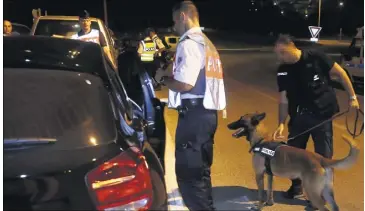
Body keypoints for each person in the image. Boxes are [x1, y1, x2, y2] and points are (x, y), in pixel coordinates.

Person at [155, 1, 226, 210]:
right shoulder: (207, 43)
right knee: (201, 172)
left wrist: (163, 79)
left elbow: (185, 84)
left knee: (189, 175)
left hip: (194, 116)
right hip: (206, 115)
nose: (174, 26)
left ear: (183, 17)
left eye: (175, 21)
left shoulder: (189, 43)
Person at [273, 34, 359, 199]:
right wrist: (281, 123)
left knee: (324, 157)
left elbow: (341, 74)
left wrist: (352, 97)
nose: (280, 57)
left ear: (292, 46)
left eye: (282, 52)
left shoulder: (316, 57)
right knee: (294, 155)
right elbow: (283, 100)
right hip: (299, 117)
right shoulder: (283, 70)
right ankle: (296, 186)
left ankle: (323, 194)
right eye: (277, 54)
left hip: (322, 116)